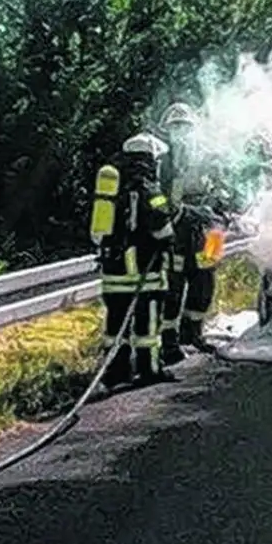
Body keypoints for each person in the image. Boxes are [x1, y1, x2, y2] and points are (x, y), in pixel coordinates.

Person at [89, 132, 176, 387]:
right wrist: (167, 239)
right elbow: (161, 224)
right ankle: (149, 370)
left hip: (112, 269)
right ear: (151, 159)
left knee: (116, 324)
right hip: (142, 272)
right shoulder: (148, 185)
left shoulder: (111, 183)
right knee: (147, 327)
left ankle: (116, 372)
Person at [156, 103, 229, 362]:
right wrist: (174, 211)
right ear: (166, 129)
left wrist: (219, 210)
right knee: (173, 285)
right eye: (175, 126)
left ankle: (194, 334)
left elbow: (224, 189)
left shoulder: (208, 156)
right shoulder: (163, 161)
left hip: (210, 229)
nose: (180, 131)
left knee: (205, 282)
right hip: (178, 226)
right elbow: (156, 197)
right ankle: (169, 341)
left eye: (185, 126)